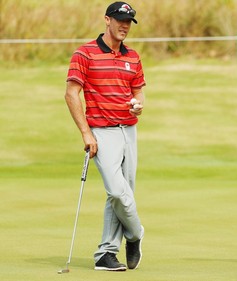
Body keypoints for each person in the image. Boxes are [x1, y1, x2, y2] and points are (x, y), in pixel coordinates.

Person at [65, 1, 145, 272]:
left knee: (122, 195)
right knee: (117, 192)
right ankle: (135, 234)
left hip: (129, 130)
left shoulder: (133, 56)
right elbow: (71, 94)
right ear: (106, 20)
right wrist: (86, 133)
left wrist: (138, 104)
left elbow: (138, 93)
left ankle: (106, 255)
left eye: (129, 22)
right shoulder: (85, 53)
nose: (124, 26)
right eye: (120, 20)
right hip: (101, 131)